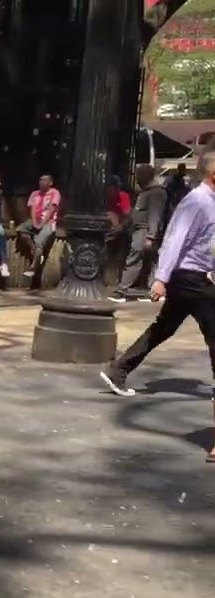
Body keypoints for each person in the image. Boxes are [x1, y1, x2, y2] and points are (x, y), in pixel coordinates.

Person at [100, 151, 215, 463]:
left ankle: (119, 369)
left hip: (197, 277)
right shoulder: (197, 202)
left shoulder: (210, 201)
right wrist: (161, 278)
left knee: (163, 328)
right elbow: (176, 239)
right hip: (190, 278)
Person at [112, 164, 168, 302]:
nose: (136, 179)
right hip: (141, 230)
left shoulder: (155, 193)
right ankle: (152, 290)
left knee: (135, 258)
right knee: (151, 261)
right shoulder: (147, 192)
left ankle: (122, 289)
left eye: (139, 175)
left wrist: (151, 236)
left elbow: (155, 215)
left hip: (145, 231)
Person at [18, 174, 61, 278]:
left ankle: (33, 267)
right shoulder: (34, 194)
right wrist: (34, 222)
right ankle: (34, 250)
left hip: (49, 222)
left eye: (45, 180)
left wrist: (41, 224)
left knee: (39, 241)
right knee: (21, 229)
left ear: (50, 183)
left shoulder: (54, 193)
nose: (42, 182)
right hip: (36, 220)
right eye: (40, 180)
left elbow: (51, 210)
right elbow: (32, 209)